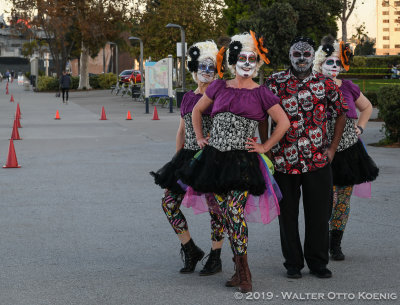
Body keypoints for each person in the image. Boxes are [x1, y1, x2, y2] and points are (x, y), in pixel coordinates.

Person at [178, 32, 290, 292]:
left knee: (235, 212)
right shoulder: (219, 86)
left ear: (257, 63)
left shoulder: (261, 93)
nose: (247, 63)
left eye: (252, 59)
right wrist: (201, 137)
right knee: (226, 214)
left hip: (243, 161)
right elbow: (197, 110)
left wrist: (264, 146)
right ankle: (237, 266)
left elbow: (283, 122)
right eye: (242, 58)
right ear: (233, 61)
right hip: (214, 159)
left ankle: (244, 272)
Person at [266, 36, 349, 279]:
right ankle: (293, 263)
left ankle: (318, 263)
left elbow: (341, 113)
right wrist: (267, 147)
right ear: (289, 56)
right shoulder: (275, 82)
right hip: (284, 161)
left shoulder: (326, 84)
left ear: (313, 57)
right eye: (296, 55)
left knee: (319, 215)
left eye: (306, 55)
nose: (301, 59)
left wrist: (332, 148)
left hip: (318, 161)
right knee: (287, 216)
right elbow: (263, 115)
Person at [150, 41, 225, 276]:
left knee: (216, 208)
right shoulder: (187, 98)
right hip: (186, 159)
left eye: (211, 66)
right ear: (194, 68)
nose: (206, 71)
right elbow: (181, 131)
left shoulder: (220, 96)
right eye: (202, 66)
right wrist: (176, 160)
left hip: (211, 159)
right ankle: (190, 248)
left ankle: (216, 256)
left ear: (217, 69)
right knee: (169, 204)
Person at [313, 35, 379, 261]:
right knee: (324, 199)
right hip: (321, 151)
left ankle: (335, 243)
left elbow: (367, 107)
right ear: (320, 63)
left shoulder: (349, 87)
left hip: (349, 151)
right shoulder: (313, 86)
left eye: (337, 62)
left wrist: (360, 127)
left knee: (343, 199)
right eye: (329, 62)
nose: (334, 67)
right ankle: (319, 242)